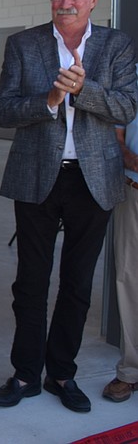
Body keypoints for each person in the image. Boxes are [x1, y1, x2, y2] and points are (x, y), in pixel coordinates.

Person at [0, 0, 137, 413]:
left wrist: (82, 90)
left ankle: (62, 373)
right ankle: (24, 374)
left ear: (93, 0)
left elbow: (126, 106)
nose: (65, 3)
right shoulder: (24, 44)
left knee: (77, 283)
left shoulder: (116, 45)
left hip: (94, 180)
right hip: (35, 176)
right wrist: (50, 100)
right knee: (30, 282)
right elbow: (2, 111)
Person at [104, 82, 138, 403]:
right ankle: (130, 370)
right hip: (134, 191)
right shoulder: (131, 80)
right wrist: (129, 157)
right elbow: (116, 132)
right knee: (128, 278)